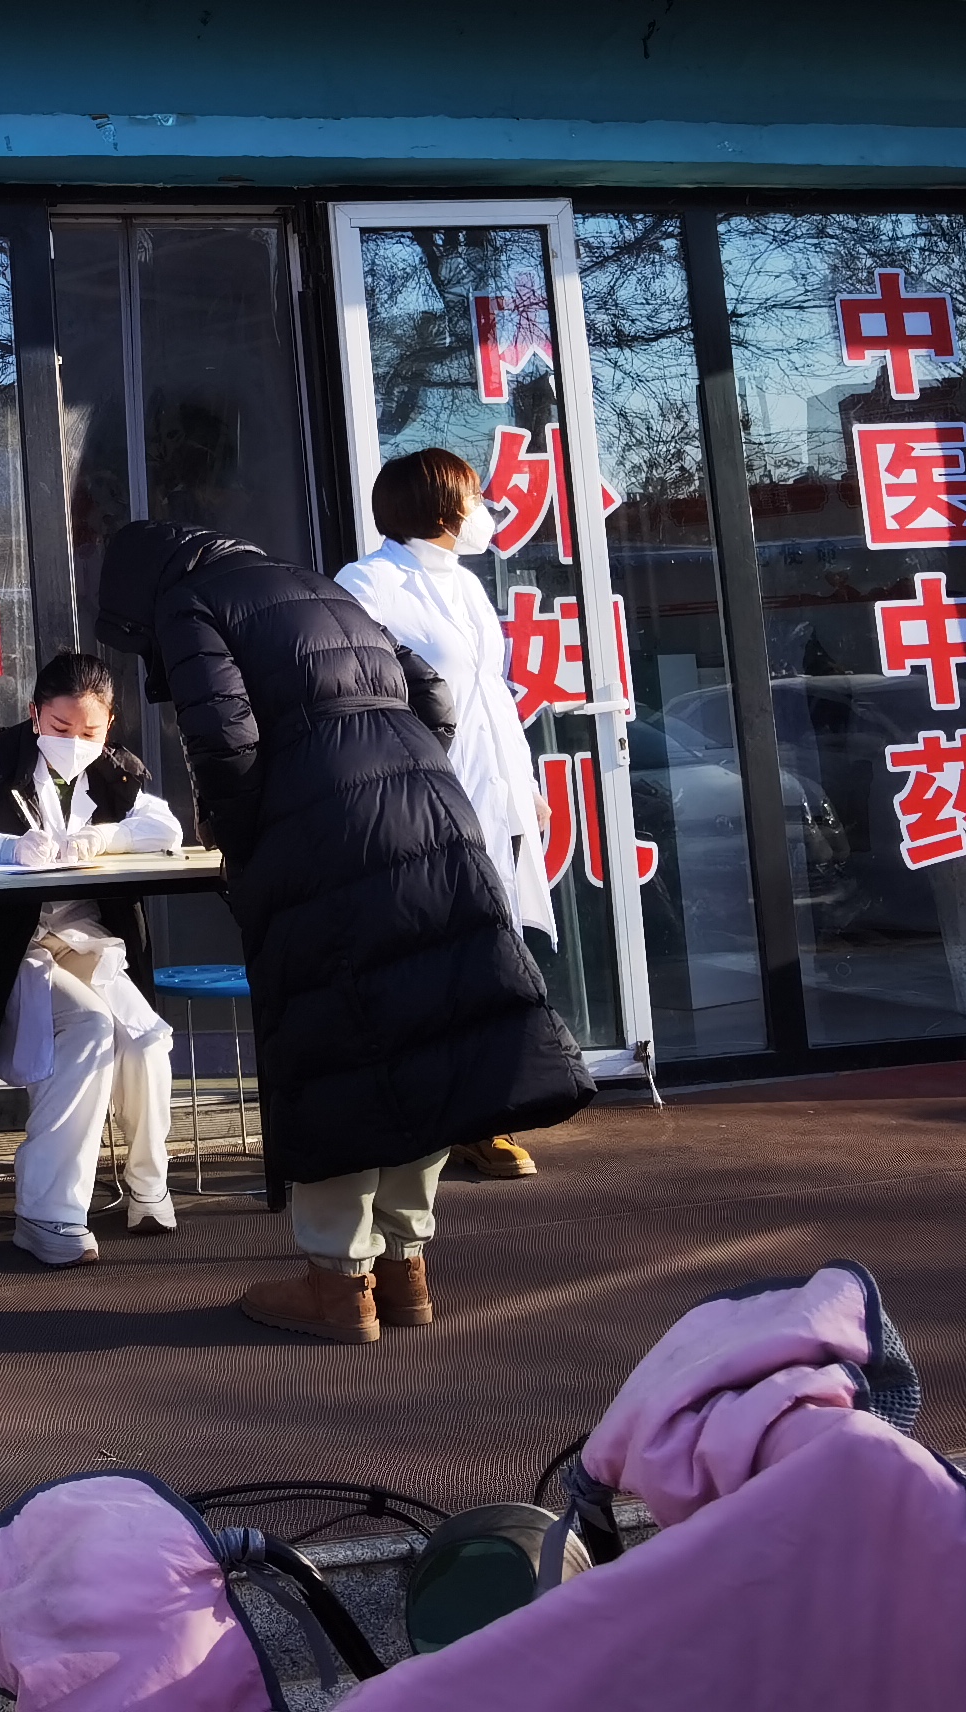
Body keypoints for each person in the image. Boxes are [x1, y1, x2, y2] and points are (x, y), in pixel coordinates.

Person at [94, 519, 591, 1346]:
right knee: (422, 1031)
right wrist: (400, 766)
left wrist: (245, 836)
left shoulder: (190, 601)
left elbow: (223, 737)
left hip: (322, 834)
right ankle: (406, 1265)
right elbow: (433, 691)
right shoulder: (320, 585)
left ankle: (339, 1281)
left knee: (332, 1044)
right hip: (431, 812)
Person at [0, 654, 189, 1268]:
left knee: (146, 1040)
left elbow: (166, 828)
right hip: (14, 948)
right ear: (35, 715)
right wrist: (6, 847)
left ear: (109, 725)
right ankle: (48, 1211)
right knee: (86, 1026)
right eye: (61, 728)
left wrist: (108, 835)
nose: (74, 744)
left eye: (90, 732)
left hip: (84, 941)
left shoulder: (114, 772)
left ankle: (148, 1188)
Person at [337, 446, 558, 1184]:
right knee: (438, 961)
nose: (484, 512)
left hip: (493, 793)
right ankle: (441, 1118)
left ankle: (482, 1114)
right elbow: (359, 702)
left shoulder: (465, 584)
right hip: (424, 802)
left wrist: (525, 783)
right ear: (440, 506)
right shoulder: (366, 584)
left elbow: (493, 697)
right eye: (474, 498)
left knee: (492, 956)